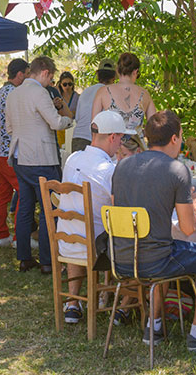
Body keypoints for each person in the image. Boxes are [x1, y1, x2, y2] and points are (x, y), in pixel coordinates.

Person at [106, 110, 196, 351]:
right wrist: (195, 205)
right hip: (155, 260)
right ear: (175, 139)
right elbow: (188, 228)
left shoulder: (122, 166)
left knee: (163, 248)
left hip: (120, 258)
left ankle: (153, 327)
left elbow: (118, 207)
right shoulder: (177, 169)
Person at [57, 111, 132, 324]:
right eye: (121, 138)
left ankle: (73, 301)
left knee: (80, 228)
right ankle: (124, 306)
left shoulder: (72, 159)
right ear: (112, 137)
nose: (121, 144)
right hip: (97, 250)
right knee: (139, 240)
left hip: (66, 243)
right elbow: (122, 208)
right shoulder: (109, 171)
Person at [5, 55, 72, 274]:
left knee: (25, 207)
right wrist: (70, 121)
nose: (50, 83)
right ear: (45, 72)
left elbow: (9, 128)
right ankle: (47, 260)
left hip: (20, 156)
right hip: (41, 157)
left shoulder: (13, 94)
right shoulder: (39, 92)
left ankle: (24, 257)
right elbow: (55, 122)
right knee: (49, 208)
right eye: (50, 78)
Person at [0, 58, 28, 247]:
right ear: (20, 74)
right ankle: (19, 237)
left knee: (2, 193)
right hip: (12, 152)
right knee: (24, 192)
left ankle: (0, 235)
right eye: (27, 74)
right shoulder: (17, 94)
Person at [91, 52, 157, 132]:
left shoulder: (103, 91)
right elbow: (154, 127)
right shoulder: (145, 94)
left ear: (117, 70)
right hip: (138, 143)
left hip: (112, 143)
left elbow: (94, 127)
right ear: (136, 72)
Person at [71, 60, 117, 153]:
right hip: (96, 140)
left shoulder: (86, 92)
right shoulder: (111, 93)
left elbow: (78, 118)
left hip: (78, 137)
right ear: (114, 77)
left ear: (97, 75)